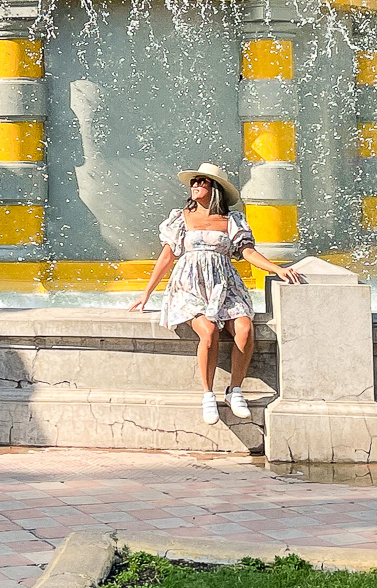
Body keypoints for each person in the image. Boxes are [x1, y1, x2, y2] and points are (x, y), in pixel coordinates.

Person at [129, 162, 303, 424]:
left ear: (216, 189)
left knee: (244, 329)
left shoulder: (231, 220)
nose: (196, 185)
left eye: (203, 182)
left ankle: (235, 390)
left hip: (225, 284)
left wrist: (275, 269)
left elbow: (247, 252)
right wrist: (147, 292)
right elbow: (167, 256)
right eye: (194, 182)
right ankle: (208, 395)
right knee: (208, 332)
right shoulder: (181, 217)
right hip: (189, 285)